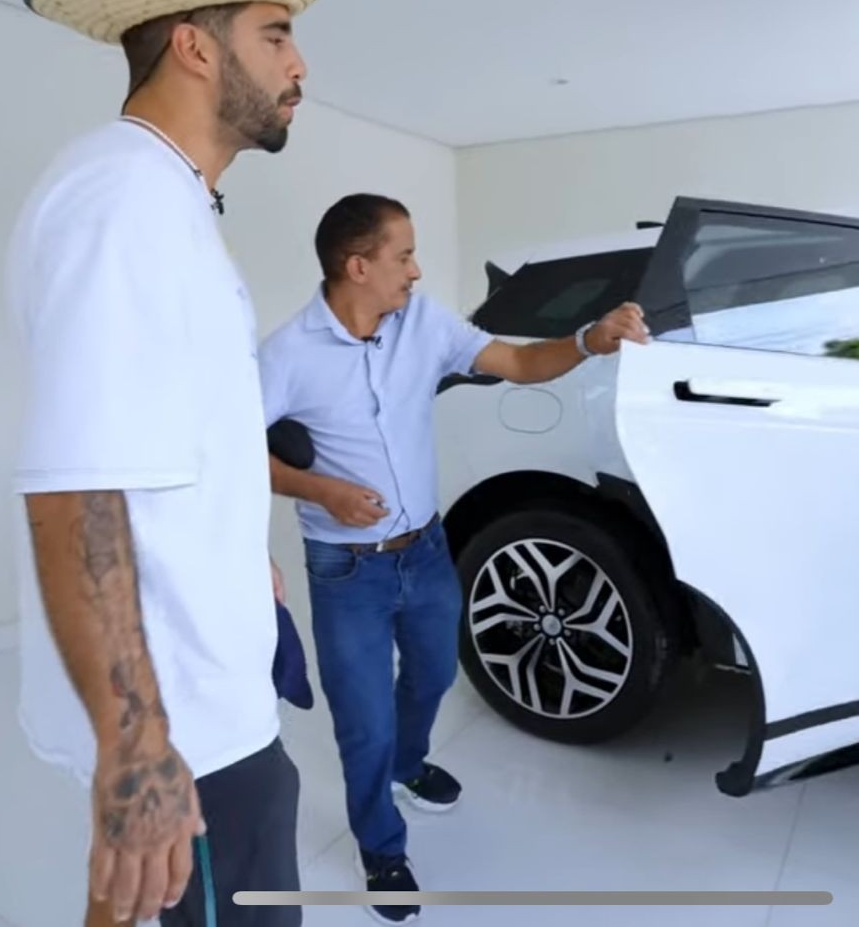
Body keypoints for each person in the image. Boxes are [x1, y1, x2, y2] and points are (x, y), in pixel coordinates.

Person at [7, 0, 347, 926]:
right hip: (187, 722)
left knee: (131, 903)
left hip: (201, 687)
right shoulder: (125, 201)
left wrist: (239, 551)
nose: (301, 63)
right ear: (195, 45)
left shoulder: (168, 200)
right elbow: (75, 484)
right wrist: (138, 745)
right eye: (276, 32)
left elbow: (166, 433)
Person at [258, 194, 648, 922]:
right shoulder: (286, 355)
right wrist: (318, 490)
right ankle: (381, 846)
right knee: (362, 717)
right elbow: (237, 452)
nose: (416, 269)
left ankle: (408, 767)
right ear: (358, 264)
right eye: (402, 255)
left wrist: (590, 340)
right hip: (347, 572)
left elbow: (523, 362)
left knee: (435, 674)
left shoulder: (425, 323)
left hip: (427, 552)